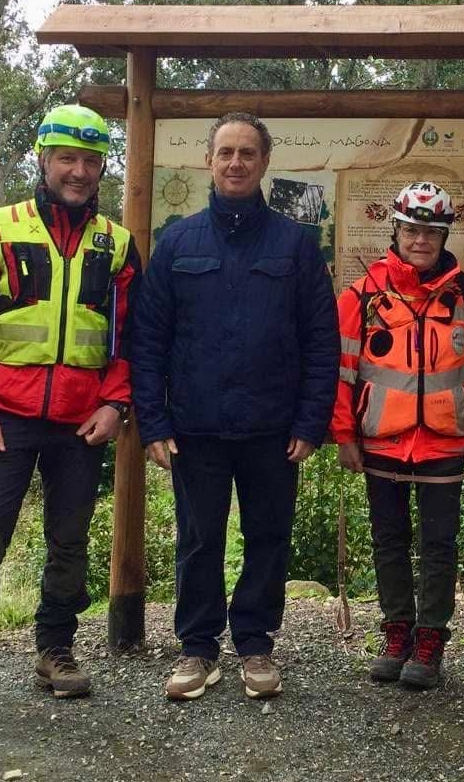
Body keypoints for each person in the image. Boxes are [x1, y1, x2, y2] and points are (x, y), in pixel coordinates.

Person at [0, 104, 140, 722]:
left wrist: (117, 403)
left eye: (91, 161)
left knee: (68, 541)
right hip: (4, 418)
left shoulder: (116, 243)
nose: (79, 171)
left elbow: (130, 337)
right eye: (67, 158)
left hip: (80, 421)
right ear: (43, 159)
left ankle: (56, 651)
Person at [129, 112, 339, 702]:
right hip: (196, 427)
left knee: (269, 535)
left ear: (266, 163)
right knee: (199, 539)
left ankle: (255, 643)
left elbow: (321, 340)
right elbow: (148, 341)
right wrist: (155, 421)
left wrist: (310, 420)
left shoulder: (296, 245)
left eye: (248, 153)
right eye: (226, 152)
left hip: (274, 428)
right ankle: (197, 648)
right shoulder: (177, 242)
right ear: (209, 162)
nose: (236, 162)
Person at [332, 182, 464, 690]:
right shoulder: (363, 295)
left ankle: (431, 640)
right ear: (395, 230)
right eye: (412, 229)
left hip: (444, 441)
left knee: (439, 545)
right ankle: (396, 633)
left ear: (445, 236)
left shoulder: (463, 294)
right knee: (388, 541)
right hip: (381, 440)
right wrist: (343, 434)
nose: (421, 240)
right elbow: (341, 371)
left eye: (432, 232)